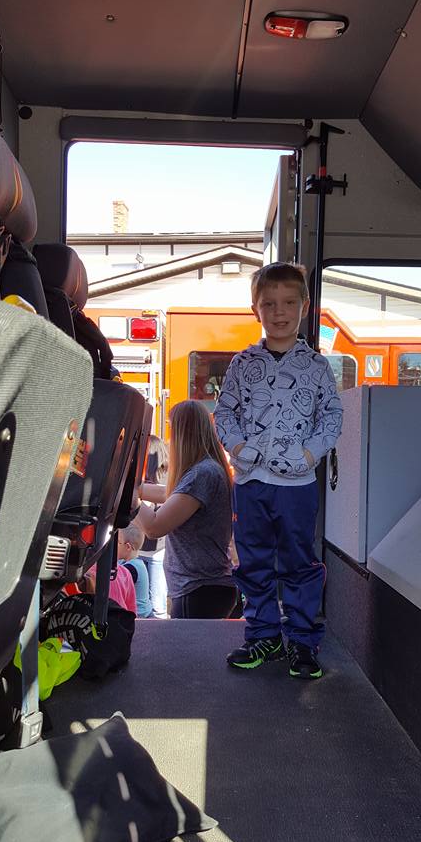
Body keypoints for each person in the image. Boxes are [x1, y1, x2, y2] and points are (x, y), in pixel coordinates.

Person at [213, 261, 343, 680]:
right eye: (269, 303)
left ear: (304, 306)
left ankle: (303, 643)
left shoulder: (316, 367)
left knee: (299, 562)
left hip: (297, 486)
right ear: (256, 309)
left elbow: (332, 417)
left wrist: (309, 456)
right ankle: (263, 637)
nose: (279, 311)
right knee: (253, 562)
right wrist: (236, 447)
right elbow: (224, 413)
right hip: (250, 483)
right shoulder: (242, 364)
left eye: (289, 302)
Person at [136, 400, 237, 619]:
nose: (171, 440)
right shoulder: (208, 469)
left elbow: (154, 527)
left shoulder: (202, 474)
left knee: (191, 654)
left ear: (184, 434)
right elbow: (173, 496)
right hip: (205, 588)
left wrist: (127, 498)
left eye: (173, 430)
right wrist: (138, 490)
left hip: (199, 589)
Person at [138, 435, 169, 619]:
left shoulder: (144, 481)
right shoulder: (169, 477)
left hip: (141, 546)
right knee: (158, 604)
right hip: (159, 548)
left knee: (143, 604)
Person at [117, 523, 153, 618]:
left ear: (128, 547)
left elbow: (115, 587)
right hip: (145, 612)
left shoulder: (131, 569)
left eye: (118, 542)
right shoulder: (136, 562)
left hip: (139, 617)